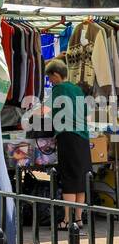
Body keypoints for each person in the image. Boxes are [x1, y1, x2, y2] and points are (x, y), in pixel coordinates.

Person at [45, 58, 92, 228]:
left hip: (68, 137)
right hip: (83, 138)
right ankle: (78, 219)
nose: (50, 81)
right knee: (81, 178)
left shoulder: (58, 89)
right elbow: (86, 112)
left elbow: (46, 111)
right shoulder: (78, 90)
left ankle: (66, 220)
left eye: (50, 78)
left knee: (69, 178)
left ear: (56, 75)